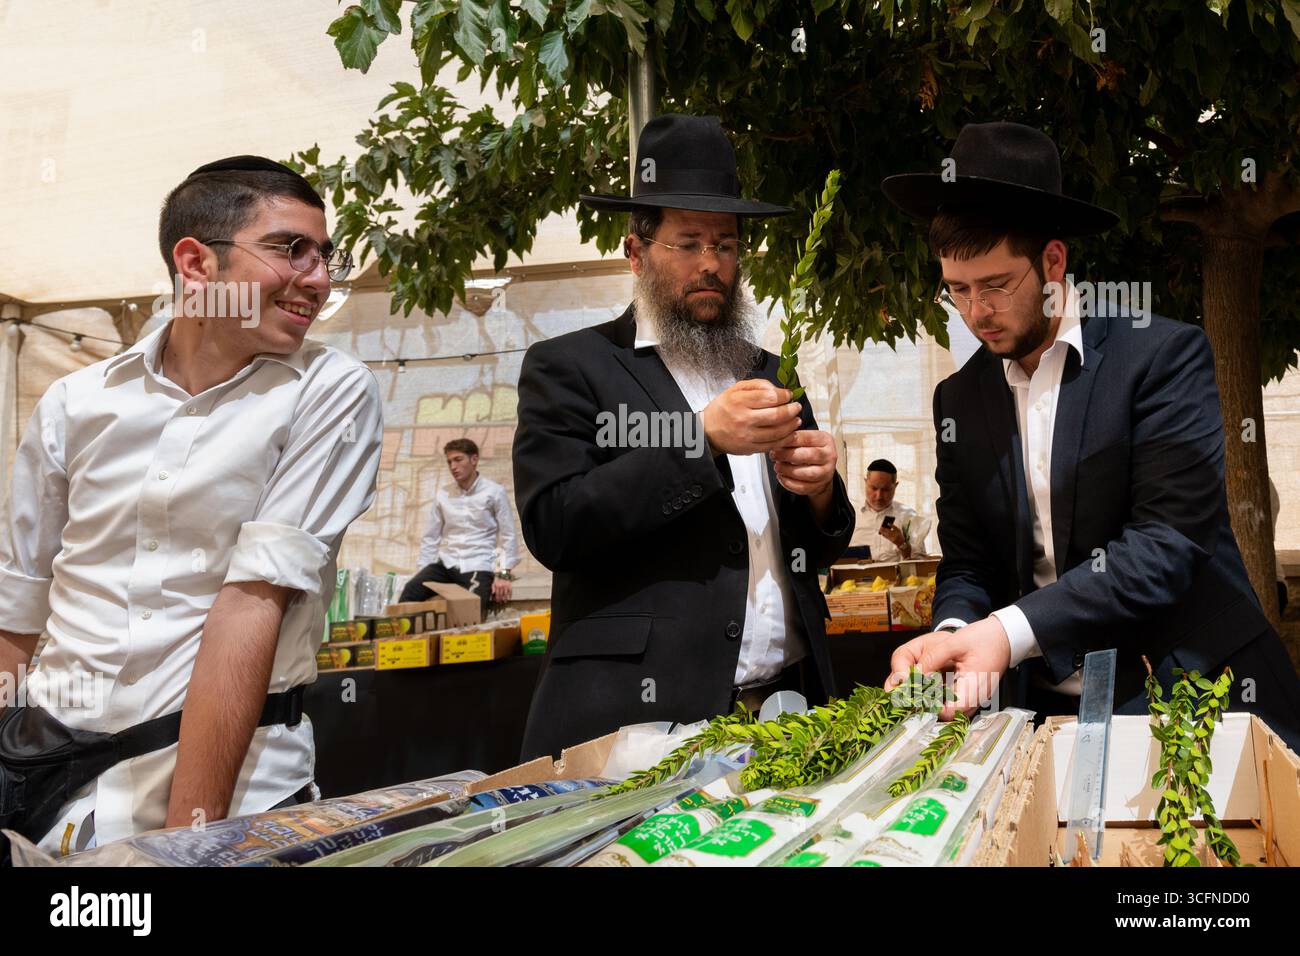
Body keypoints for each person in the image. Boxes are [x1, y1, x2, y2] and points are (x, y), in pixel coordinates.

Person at [0, 156, 383, 854]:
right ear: (196, 263)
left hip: (238, 793)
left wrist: (186, 843)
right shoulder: (75, 404)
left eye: (326, 255)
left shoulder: (329, 391)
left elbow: (249, 603)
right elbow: (19, 613)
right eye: (289, 249)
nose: (319, 279)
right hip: (54, 789)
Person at [879, 122, 1300, 752]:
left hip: (1196, 689)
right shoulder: (958, 399)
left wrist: (1007, 631)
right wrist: (954, 629)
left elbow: (1166, 543)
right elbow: (970, 559)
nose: (975, 314)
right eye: (957, 291)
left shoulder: (1162, 356)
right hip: (1043, 708)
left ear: (1053, 261)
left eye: (995, 286)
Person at [512, 114, 855, 760]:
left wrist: (817, 491)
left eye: (725, 245)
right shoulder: (570, 368)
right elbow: (556, 524)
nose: (711, 265)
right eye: (689, 242)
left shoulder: (769, 371)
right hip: (643, 730)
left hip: (790, 708)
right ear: (636, 252)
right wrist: (701, 442)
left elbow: (816, 541)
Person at [399, 438, 520, 617]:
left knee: (472, 610)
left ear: (474, 459)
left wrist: (503, 574)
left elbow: (509, 535)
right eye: (449, 462)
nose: (453, 466)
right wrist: (423, 571)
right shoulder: (443, 494)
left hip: (478, 563)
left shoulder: (494, 492)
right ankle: (408, 645)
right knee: (409, 593)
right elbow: (430, 538)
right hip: (447, 563)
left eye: (458, 459)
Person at [847, 458, 932, 561]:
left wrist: (902, 544)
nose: (879, 496)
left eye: (885, 490)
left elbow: (920, 564)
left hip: (896, 576)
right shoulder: (849, 516)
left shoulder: (908, 517)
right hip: (854, 576)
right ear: (865, 482)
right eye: (874, 488)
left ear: (895, 486)